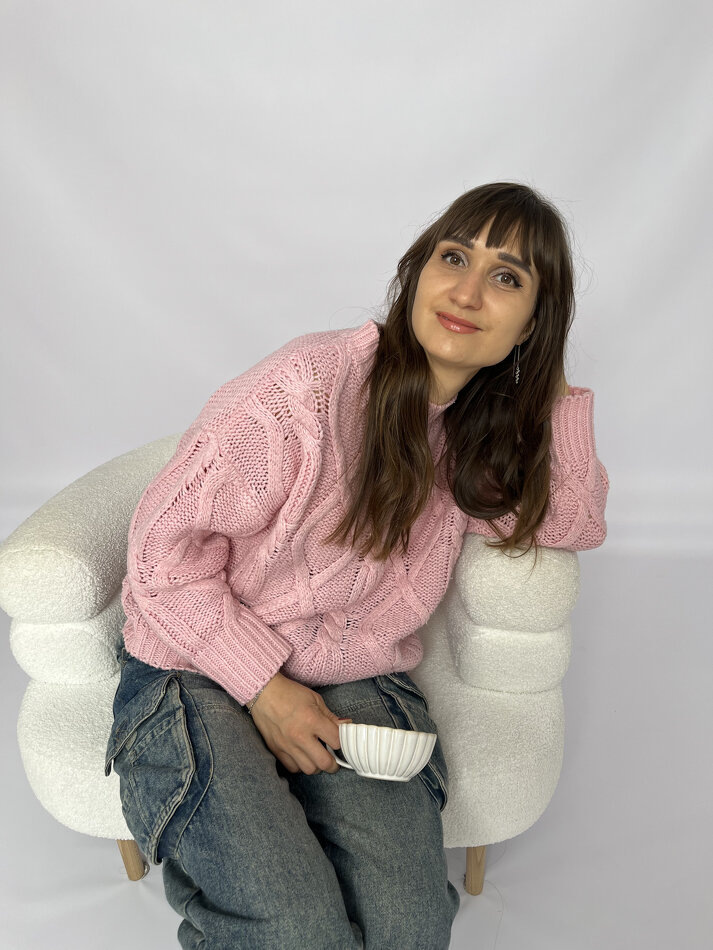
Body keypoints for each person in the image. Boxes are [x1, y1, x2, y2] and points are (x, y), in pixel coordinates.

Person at [105, 181, 609, 949]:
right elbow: (159, 555)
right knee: (295, 931)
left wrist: (551, 390)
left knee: (411, 928)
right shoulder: (304, 389)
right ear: (417, 273)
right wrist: (264, 688)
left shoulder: (477, 437)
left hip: (354, 677)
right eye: (453, 258)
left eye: (507, 278)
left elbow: (573, 523)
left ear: (533, 322)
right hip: (193, 665)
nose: (467, 291)